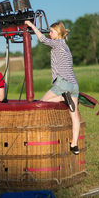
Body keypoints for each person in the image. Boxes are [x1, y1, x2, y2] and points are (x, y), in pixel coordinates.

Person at [24, 20, 80, 155]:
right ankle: (74, 145)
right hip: (74, 85)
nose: (49, 34)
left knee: (41, 104)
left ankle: (62, 97)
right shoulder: (66, 46)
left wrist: (32, 26)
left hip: (63, 83)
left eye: (52, 31)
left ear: (59, 33)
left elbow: (42, 39)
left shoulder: (57, 43)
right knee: (75, 116)